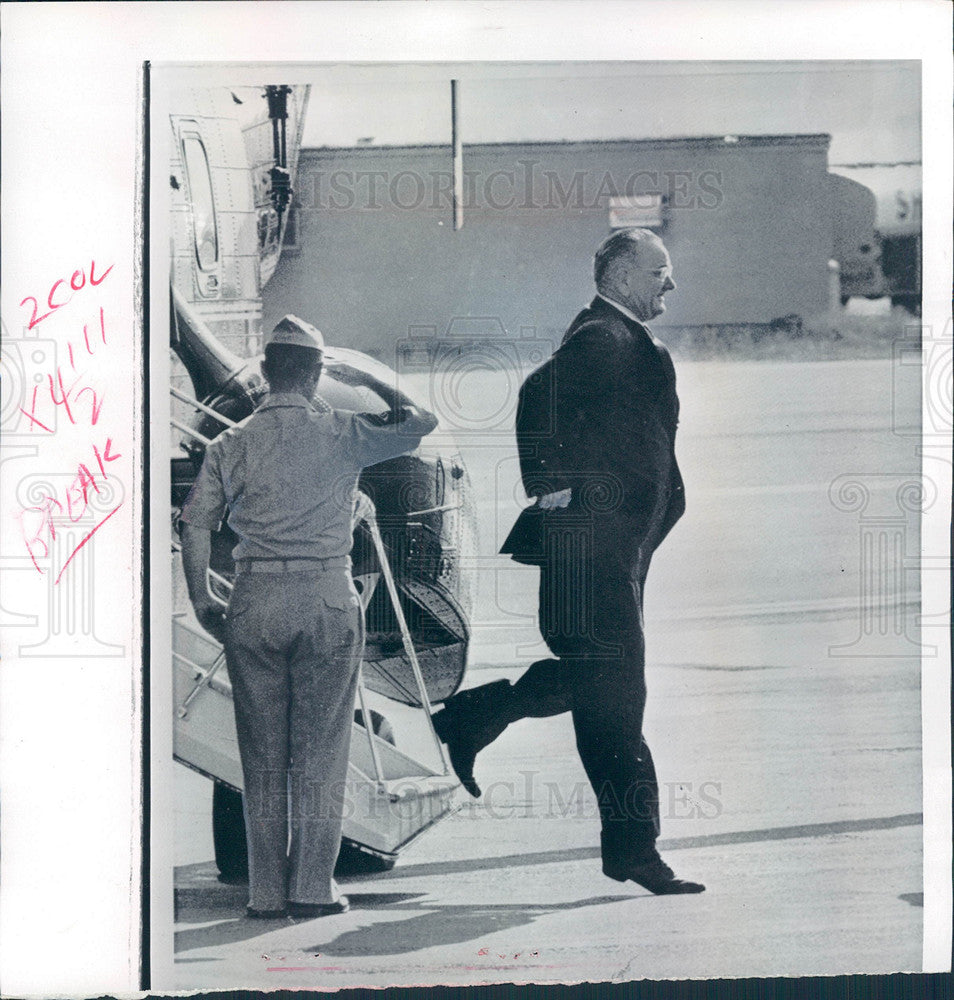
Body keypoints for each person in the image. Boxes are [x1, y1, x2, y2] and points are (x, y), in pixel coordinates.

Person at [433, 228, 704, 895]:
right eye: (658, 272)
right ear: (618, 279)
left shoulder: (621, 339)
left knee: (596, 685)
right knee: (617, 702)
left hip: (609, 554)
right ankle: (635, 852)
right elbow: (537, 394)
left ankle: (467, 721)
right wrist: (552, 476)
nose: (669, 283)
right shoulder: (603, 340)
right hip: (591, 556)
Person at [179, 315, 438, 919]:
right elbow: (422, 421)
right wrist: (366, 376)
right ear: (318, 373)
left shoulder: (230, 444)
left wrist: (201, 599)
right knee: (322, 750)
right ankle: (313, 888)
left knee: (262, 757)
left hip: (254, 601)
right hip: (325, 599)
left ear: (266, 372)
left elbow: (194, 524)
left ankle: (265, 893)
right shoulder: (344, 432)